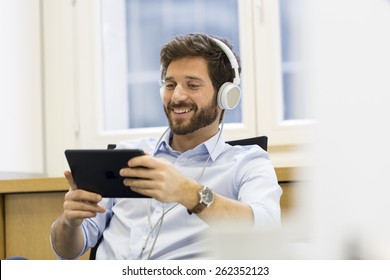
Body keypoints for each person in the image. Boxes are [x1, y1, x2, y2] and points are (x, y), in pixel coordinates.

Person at [50, 33, 282, 260]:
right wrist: (70, 222)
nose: (177, 96)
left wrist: (189, 193)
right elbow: (67, 251)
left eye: (192, 85)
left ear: (225, 96)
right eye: (170, 85)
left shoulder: (247, 162)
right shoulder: (126, 154)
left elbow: (265, 229)